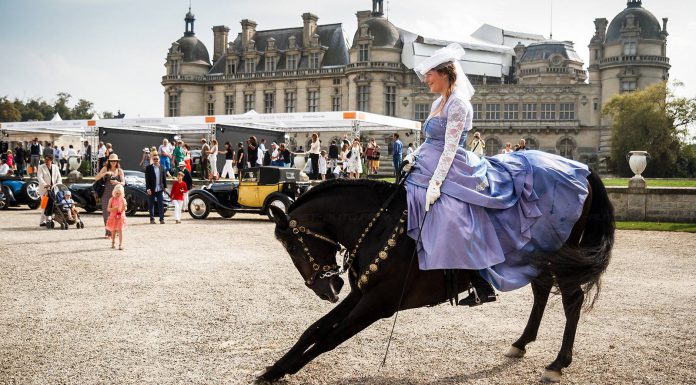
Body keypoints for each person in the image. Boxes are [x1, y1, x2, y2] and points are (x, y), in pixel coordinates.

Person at [403, 43, 592, 307]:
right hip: (427, 162)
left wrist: (437, 182)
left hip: (454, 165)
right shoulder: (438, 101)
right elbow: (429, 139)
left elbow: (450, 146)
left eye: (430, 74)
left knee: (455, 212)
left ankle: (478, 281)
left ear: (445, 73)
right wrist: (413, 155)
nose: (426, 79)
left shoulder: (459, 104)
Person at [95, 153, 125, 237]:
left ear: (117, 161)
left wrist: (117, 182)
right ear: (109, 161)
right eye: (111, 161)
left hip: (117, 195)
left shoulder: (119, 170)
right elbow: (96, 178)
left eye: (115, 161)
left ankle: (116, 230)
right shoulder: (105, 168)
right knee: (106, 214)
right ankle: (108, 232)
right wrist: (104, 174)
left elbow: (124, 182)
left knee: (117, 213)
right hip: (106, 194)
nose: (113, 162)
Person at [37, 154, 62, 226]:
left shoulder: (55, 167)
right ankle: (42, 221)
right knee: (44, 205)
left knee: (52, 204)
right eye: (45, 159)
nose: (46, 161)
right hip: (44, 189)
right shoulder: (41, 167)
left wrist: (58, 184)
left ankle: (48, 220)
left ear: (51, 160)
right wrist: (45, 185)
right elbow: (40, 177)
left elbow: (59, 177)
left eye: (48, 160)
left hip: (54, 189)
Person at [145, 154, 167, 224]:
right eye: (154, 159)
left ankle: (161, 219)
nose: (156, 160)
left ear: (159, 160)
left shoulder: (162, 167)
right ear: (152, 160)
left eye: (157, 159)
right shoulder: (149, 168)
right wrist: (148, 188)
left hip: (160, 189)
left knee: (161, 204)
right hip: (151, 189)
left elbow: (164, 178)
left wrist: (165, 187)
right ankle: (152, 219)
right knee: (151, 205)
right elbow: (147, 179)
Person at [105, 184, 127, 250]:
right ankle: (113, 242)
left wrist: (124, 206)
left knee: (120, 230)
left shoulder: (123, 199)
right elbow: (108, 209)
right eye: (117, 193)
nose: (118, 195)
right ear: (114, 192)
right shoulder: (111, 199)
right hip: (113, 216)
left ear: (122, 193)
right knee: (113, 230)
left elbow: (125, 209)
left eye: (119, 193)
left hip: (121, 216)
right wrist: (114, 208)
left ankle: (121, 244)